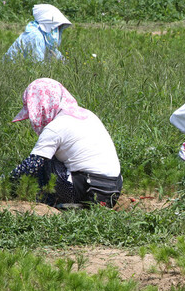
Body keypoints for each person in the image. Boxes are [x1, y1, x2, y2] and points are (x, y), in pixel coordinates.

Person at [9, 78, 123, 208]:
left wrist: (5, 181)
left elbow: (32, 165)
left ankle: (49, 202)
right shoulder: (89, 115)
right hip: (113, 191)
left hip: (83, 191)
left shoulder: (55, 127)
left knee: (44, 160)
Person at [5, 4, 71, 63]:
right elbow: (37, 64)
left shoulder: (47, 37)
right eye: (57, 26)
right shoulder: (35, 36)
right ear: (50, 24)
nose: (58, 30)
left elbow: (55, 53)